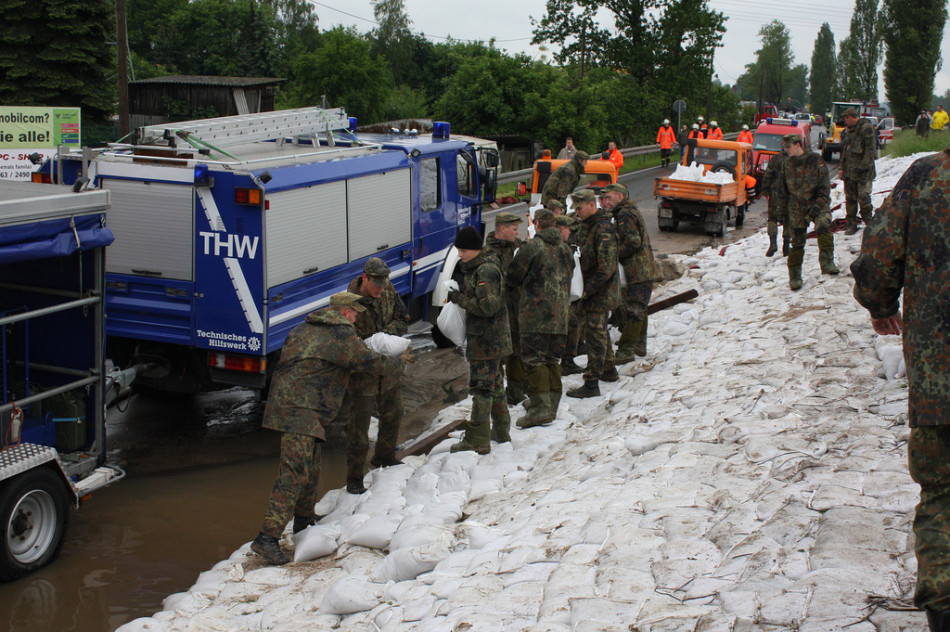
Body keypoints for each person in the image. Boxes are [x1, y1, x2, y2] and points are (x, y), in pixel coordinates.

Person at [850, 146, 950, 632]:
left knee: (944, 496)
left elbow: (878, 253)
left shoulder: (927, 177)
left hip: (940, 382)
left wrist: (878, 302)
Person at [251, 292, 407, 565]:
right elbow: (368, 362)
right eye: (356, 315)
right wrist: (398, 362)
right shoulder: (339, 335)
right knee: (294, 471)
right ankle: (267, 537)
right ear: (346, 313)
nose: (358, 319)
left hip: (292, 404)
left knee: (311, 465)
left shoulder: (304, 328)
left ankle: (303, 519)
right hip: (301, 407)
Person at [342, 258, 411, 495]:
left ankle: (384, 456)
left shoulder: (387, 291)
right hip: (363, 373)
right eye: (376, 286)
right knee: (359, 428)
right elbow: (343, 339)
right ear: (365, 278)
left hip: (388, 367)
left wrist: (386, 336)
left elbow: (403, 318)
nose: (380, 290)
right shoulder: (348, 302)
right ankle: (354, 479)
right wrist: (368, 344)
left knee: (394, 412)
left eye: (383, 285)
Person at [446, 226, 512, 453]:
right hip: (489, 338)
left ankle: (478, 439)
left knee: (482, 389)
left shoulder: (484, 272)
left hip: (487, 341)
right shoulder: (479, 267)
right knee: (493, 385)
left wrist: (460, 299)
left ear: (475, 249)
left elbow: (488, 307)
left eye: (463, 250)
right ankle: (501, 431)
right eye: (458, 250)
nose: (460, 255)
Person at [506, 209, 573, 427]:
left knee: (534, 360)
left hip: (535, 316)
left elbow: (514, 276)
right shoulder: (565, 249)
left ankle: (540, 408)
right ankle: (550, 403)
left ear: (537, 225)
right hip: (560, 316)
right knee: (552, 360)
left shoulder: (532, 248)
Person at [566, 189, 620, 398]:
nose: (577, 212)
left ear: (591, 204)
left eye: (579, 208)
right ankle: (608, 369)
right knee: (599, 331)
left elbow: (606, 268)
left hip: (600, 291)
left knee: (594, 334)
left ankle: (591, 382)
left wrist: (588, 291)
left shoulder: (603, 229)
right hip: (593, 289)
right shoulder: (587, 226)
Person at [600, 183, 656, 364]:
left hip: (637, 270)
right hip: (642, 269)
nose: (605, 202)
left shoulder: (624, 214)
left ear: (620, 196)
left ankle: (626, 350)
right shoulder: (628, 212)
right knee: (640, 308)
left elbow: (633, 242)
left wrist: (614, 255)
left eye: (609, 197)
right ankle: (639, 344)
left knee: (634, 310)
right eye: (604, 198)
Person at [781, 132, 839, 290]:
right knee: (797, 242)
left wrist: (815, 208)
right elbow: (783, 190)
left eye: (788, 146)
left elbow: (824, 188)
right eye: (784, 147)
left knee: (823, 226)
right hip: (796, 207)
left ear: (797, 145)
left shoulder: (815, 160)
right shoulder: (787, 164)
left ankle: (827, 263)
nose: (786, 150)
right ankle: (795, 277)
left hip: (817, 202)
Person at [483, 212, 525, 409]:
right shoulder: (489, 253)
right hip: (498, 313)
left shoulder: (516, 247)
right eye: (514, 229)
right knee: (498, 353)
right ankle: (495, 392)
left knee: (517, 349)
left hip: (516, 309)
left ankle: (516, 391)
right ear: (502, 229)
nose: (517, 233)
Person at [839, 108, 878, 235]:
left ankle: (869, 223)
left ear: (851, 117)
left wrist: (862, 167)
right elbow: (845, 150)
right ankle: (851, 225)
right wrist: (841, 168)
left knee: (864, 198)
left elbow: (870, 150)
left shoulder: (866, 128)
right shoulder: (850, 130)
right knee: (850, 199)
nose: (845, 122)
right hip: (850, 171)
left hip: (863, 173)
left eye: (846, 119)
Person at [761, 145, 791, 257]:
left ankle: (773, 243)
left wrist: (765, 191)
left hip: (775, 194)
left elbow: (767, 175)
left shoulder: (775, 159)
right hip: (790, 195)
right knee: (788, 220)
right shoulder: (795, 160)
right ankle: (786, 246)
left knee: (772, 219)